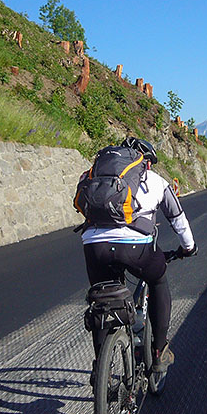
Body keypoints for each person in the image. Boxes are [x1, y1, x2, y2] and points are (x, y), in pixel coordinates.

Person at [79, 137, 197, 374]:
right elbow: (177, 218)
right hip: (136, 248)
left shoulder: (91, 175)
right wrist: (188, 247)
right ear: (145, 162)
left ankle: (102, 368)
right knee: (158, 279)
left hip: (94, 247)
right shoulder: (154, 180)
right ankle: (159, 351)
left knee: (103, 301)